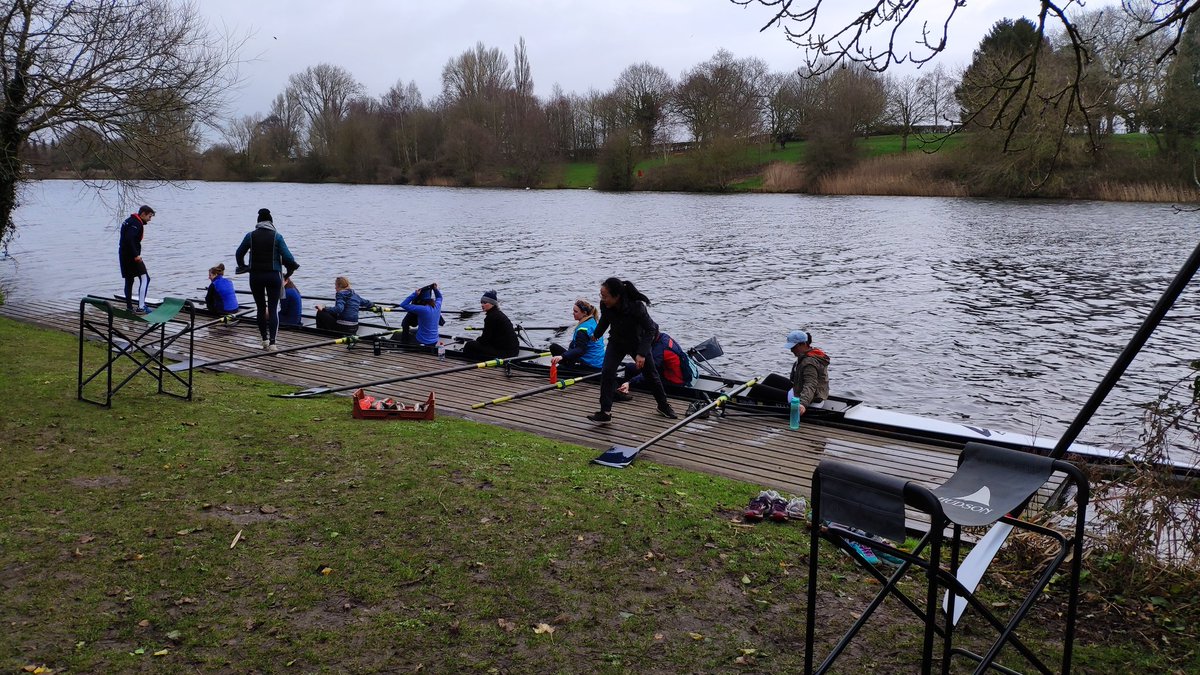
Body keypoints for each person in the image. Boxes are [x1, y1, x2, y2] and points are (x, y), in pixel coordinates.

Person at [587, 277, 677, 423]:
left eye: (605, 296)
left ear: (617, 296)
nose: (602, 300)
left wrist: (641, 353)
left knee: (651, 374)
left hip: (637, 342)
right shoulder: (605, 305)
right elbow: (605, 320)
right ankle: (605, 412)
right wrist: (596, 334)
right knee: (607, 372)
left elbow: (651, 329)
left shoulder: (636, 306)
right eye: (601, 296)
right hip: (616, 342)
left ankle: (663, 405)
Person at [235, 208, 299, 351]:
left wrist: (242, 266)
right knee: (273, 308)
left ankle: (264, 339)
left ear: (258, 222)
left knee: (260, 308)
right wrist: (289, 271)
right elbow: (288, 258)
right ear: (271, 222)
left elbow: (239, 253)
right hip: (273, 276)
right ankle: (273, 343)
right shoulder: (277, 236)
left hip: (255, 276)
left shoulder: (250, 236)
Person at [748, 329, 830, 416]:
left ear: (803, 344)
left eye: (793, 347)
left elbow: (810, 384)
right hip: (802, 390)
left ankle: (745, 405)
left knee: (757, 388)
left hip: (805, 400)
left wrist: (802, 404)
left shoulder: (809, 363)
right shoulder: (811, 352)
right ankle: (757, 402)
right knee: (772, 378)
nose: (791, 350)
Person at [616, 328, 694, 398]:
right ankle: (626, 388)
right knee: (630, 367)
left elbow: (650, 372)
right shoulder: (663, 337)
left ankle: (625, 388)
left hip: (674, 382)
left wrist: (630, 382)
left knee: (632, 370)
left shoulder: (659, 350)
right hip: (670, 372)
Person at [548, 298, 606, 370]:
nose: (573, 313)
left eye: (576, 311)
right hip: (599, 362)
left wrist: (562, 356)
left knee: (558, 364)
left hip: (589, 365)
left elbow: (580, 350)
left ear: (584, 313)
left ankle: (568, 368)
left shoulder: (583, 330)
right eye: (573, 311)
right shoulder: (593, 321)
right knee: (555, 348)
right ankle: (569, 365)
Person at [461, 290, 519, 360]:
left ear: (492, 304)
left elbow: (485, 340)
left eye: (485, 303)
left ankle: (468, 360)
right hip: (514, 351)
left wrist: (477, 341)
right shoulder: (498, 314)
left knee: (469, 345)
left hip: (506, 354)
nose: (482, 305)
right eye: (481, 302)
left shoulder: (491, 317)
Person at [118, 205, 155, 313]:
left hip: (123, 255)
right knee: (145, 278)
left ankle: (129, 308)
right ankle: (141, 307)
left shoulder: (129, 220)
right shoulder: (136, 223)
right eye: (149, 216)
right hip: (132, 257)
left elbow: (126, 239)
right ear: (143, 214)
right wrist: (136, 255)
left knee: (129, 280)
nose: (150, 219)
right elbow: (129, 239)